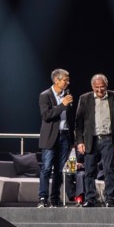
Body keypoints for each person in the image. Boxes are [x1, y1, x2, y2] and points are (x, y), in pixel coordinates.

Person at [74, 74, 114, 207]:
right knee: (89, 171)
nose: (99, 91)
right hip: (90, 140)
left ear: (106, 86)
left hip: (108, 139)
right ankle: (90, 198)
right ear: (92, 87)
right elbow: (78, 123)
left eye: (102, 88)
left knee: (109, 169)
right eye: (97, 88)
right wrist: (79, 141)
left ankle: (110, 199)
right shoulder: (84, 98)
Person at [38, 68, 75, 207]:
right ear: (56, 80)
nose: (68, 82)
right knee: (47, 168)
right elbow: (46, 116)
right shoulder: (45, 95)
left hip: (65, 136)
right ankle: (42, 198)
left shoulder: (67, 95)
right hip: (50, 137)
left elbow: (71, 118)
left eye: (68, 80)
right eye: (65, 80)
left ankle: (55, 198)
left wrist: (73, 139)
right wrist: (62, 105)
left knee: (60, 170)